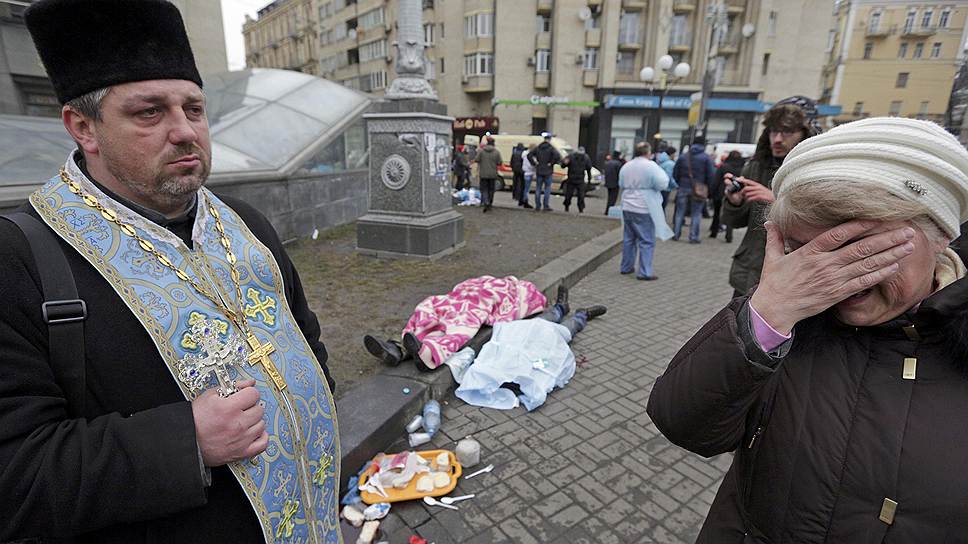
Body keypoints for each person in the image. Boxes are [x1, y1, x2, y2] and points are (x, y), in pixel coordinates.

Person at [0, 1, 339, 542]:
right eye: (150, 112)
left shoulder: (245, 222)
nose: (185, 132)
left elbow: (305, 333)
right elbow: (15, 475)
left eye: (195, 108)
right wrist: (187, 442)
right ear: (82, 126)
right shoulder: (18, 259)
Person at [647, 117, 968, 542]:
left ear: (941, 234)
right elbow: (686, 423)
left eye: (863, 250)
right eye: (805, 252)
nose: (835, 278)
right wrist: (769, 311)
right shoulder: (789, 323)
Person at [722, 95, 822, 297]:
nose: (777, 139)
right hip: (749, 274)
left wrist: (778, 203)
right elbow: (735, 222)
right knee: (740, 328)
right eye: (774, 131)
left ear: (806, 133)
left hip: (792, 279)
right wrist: (735, 203)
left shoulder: (818, 171)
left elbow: (824, 226)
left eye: (787, 132)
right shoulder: (756, 166)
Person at [618, 142, 673, 280]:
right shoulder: (651, 166)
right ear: (647, 152)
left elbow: (621, 183)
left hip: (627, 204)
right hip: (644, 205)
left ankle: (626, 266)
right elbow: (662, 182)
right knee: (646, 240)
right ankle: (645, 271)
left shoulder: (627, 166)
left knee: (629, 238)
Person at [672, 135, 715, 243]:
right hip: (699, 189)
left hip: (683, 187)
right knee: (696, 213)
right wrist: (708, 188)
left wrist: (679, 183)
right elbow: (711, 175)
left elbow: (675, 173)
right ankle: (693, 237)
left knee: (679, 212)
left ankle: (676, 235)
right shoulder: (706, 158)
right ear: (703, 145)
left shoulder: (683, 156)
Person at [710, 150, 745, 242]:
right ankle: (729, 236)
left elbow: (716, 180)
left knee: (717, 213)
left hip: (721, 193)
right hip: (735, 194)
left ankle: (714, 231)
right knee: (731, 214)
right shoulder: (743, 168)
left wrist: (712, 193)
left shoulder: (723, 166)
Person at [527, 131, 562, 212]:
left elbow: (529, 155)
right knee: (547, 189)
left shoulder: (538, 147)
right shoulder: (551, 148)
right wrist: (552, 163)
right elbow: (557, 156)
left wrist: (534, 163)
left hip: (539, 170)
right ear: (549, 139)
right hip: (548, 171)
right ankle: (545, 205)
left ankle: (538, 206)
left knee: (538, 188)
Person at [474, 136, 502, 213]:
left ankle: (485, 201)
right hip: (493, 174)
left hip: (483, 174)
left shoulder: (481, 151)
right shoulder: (497, 152)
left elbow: (476, 159)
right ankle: (489, 203)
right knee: (491, 190)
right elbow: (500, 162)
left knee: (484, 189)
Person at [561, 145, 592, 213]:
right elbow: (563, 165)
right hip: (573, 179)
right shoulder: (575, 157)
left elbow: (589, 169)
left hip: (577, 179)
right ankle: (569, 206)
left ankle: (579, 208)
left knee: (580, 196)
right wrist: (589, 180)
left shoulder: (574, 157)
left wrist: (589, 180)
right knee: (571, 195)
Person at [656, 146, 677, 213]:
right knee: (663, 206)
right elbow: (669, 177)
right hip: (666, 188)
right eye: (674, 154)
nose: (675, 156)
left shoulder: (661, 161)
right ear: (671, 154)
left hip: (659, 186)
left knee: (659, 206)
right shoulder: (670, 164)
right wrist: (675, 185)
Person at [603, 150, 623, 215]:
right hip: (615, 183)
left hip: (608, 182)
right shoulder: (618, 164)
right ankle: (609, 211)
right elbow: (620, 174)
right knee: (613, 198)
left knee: (609, 197)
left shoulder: (608, 163)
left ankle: (607, 210)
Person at [520, 143, 536, 209]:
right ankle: (525, 202)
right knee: (527, 189)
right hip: (530, 172)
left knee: (525, 188)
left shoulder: (523, 154)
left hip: (525, 172)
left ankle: (523, 200)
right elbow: (532, 164)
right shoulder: (531, 155)